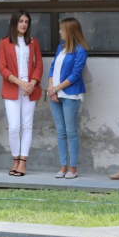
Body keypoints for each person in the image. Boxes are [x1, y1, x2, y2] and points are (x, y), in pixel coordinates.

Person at [0, 10, 43, 177]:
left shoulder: (33, 42)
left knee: (27, 125)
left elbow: (39, 66)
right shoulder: (4, 42)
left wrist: (31, 84)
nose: (24, 24)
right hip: (12, 88)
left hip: (29, 90)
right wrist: (21, 83)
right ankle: (15, 158)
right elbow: (2, 68)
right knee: (14, 127)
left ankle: (22, 161)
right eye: (21, 21)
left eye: (27, 21)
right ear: (14, 23)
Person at [48, 17, 88, 179]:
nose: (59, 32)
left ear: (70, 31)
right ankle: (62, 167)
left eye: (62, 29)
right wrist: (51, 88)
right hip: (55, 94)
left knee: (71, 132)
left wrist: (56, 89)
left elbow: (75, 75)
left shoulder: (80, 50)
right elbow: (52, 68)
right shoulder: (60, 47)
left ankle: (73, 168)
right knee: (60, 131)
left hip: (71, 95)